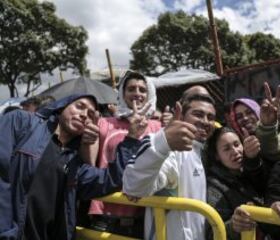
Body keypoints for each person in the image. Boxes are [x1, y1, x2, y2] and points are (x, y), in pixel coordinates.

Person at [0, 94, 130, 239]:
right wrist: (5, 230)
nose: (83, 115)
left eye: (90, 114)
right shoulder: (21, 122)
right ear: (62, 106)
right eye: (79, 106)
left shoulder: (75, 164)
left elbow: (109, 180)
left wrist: (131, 140)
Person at [121, 94, 216, 240]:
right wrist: (163, 142)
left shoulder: (205, 152)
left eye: (210, 117)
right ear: (182, 117)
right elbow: (133, 186)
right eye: (198, 114)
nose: (205, 121)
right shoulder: (172, 152)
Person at [87, 71, 161, 238]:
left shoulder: (158, 127)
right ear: (122, 93)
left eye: (142, 90)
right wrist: (87, 139)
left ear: (149, 94)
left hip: (143, 215)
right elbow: (90, 164)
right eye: (131, 89)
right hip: (105, 214)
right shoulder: (104, 124)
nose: (137, 93)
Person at [205, 127, 266, 240]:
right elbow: (212, 234)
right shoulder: (214, 188)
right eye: (227, 149)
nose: (235, 151)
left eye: (237, 144)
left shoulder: (251, 170)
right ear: (217, 156)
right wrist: (234, 226)